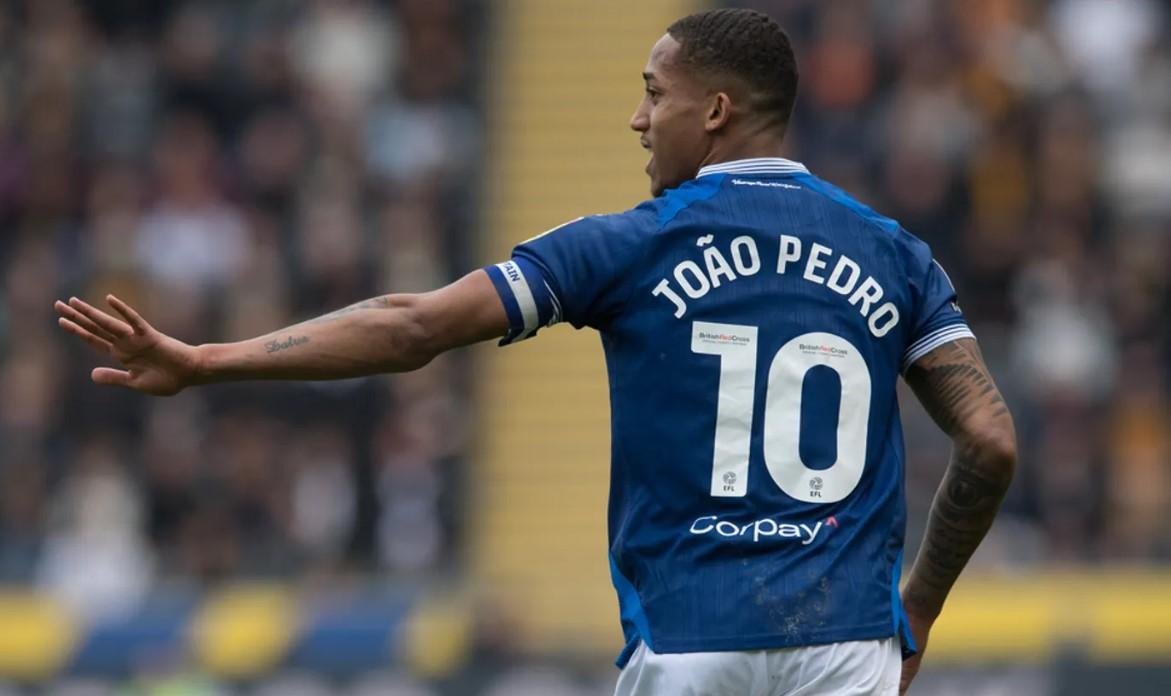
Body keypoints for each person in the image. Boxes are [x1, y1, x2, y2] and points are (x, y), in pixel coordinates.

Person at [56, 8, 1016, 696]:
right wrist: (918, 607)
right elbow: (988, 441)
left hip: (691, 643)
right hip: (846, 647)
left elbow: (413, 325)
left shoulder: (630, 243)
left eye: (654, 94)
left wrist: (209, 362)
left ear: (716, 110)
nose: (637, 118)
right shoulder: (894, 254)